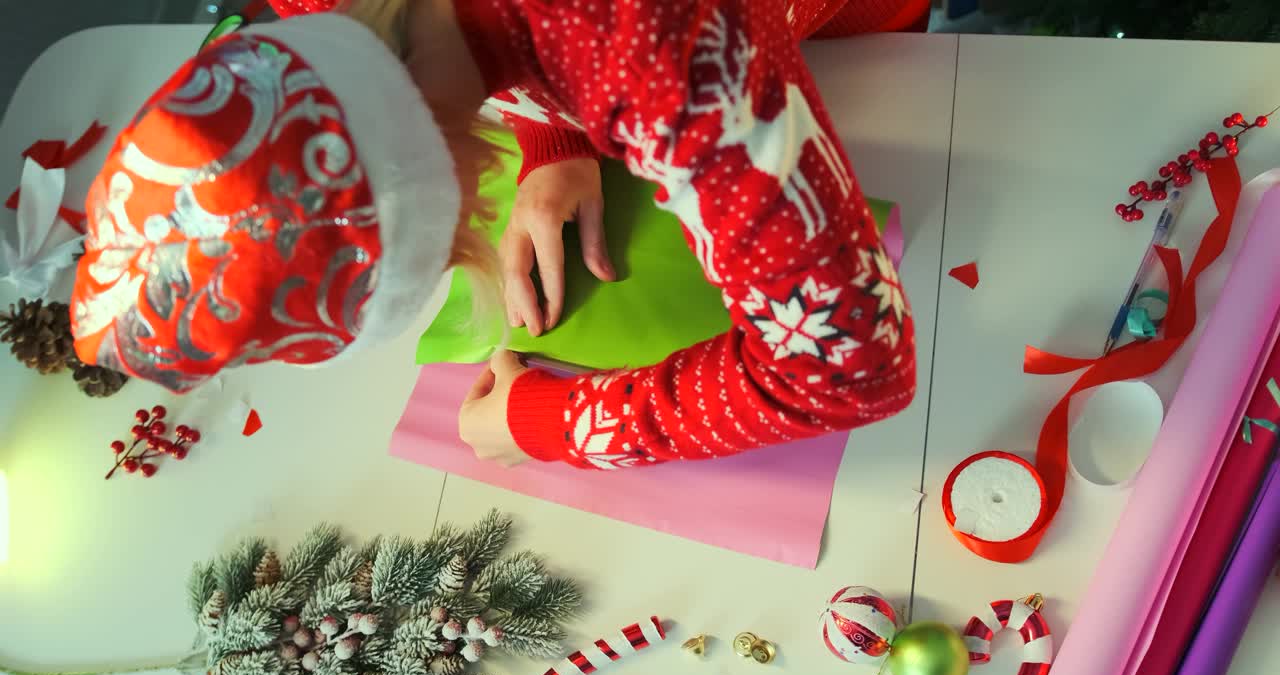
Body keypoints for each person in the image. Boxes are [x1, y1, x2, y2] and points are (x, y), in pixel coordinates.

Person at [71, 0, 921, 470]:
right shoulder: (321, 12)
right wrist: (559, 136)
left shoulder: (667, 62)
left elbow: (851, 370)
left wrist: (552, 423)